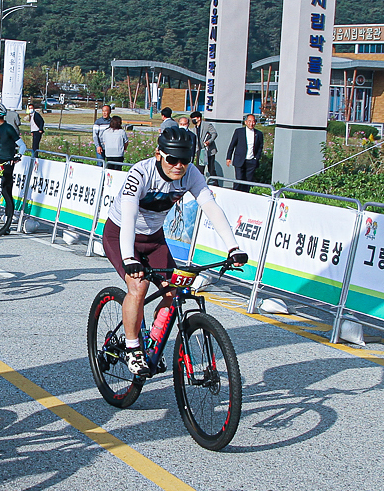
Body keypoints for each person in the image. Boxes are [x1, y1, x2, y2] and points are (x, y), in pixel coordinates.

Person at [103, 129, 247, 377]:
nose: (179, 166)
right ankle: (133, 348)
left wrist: (233, 247)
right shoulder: (140, 173)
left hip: (154, 239)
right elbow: (129, 216)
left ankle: (152, 344)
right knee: (138, 286)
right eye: (172, 159)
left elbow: (210, 206)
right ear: (158, 154)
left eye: (185, 160)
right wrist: (128, 258)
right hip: (120, 234)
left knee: (174, 290)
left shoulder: (190, 173)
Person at [0, 105, 22, 218]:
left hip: (8, 161)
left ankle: (8, 216)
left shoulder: (8, 128)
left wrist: (17, 156)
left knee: (6, 188)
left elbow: (22, 145)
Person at [227, 113, 264, 184]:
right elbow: (232, 145)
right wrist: (229, 157)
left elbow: (260, 147)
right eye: (249, 121)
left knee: (248, 182)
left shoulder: (259, 134)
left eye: (253, 121)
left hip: (251, 161)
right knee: (239, 180)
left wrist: (256, 158)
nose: (251, 123)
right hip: (239, 160)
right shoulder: (239, 132)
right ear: (245, 122)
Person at [188, 110, 218, 175]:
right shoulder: (194, 128)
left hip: (209, 150)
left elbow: (214, 133)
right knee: (199, 169)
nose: (193, 120)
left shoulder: (207, 125)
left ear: (199, 118)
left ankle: (214, 180)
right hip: (200, 150)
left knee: (211, 169)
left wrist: (209, 141)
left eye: (194, 118)